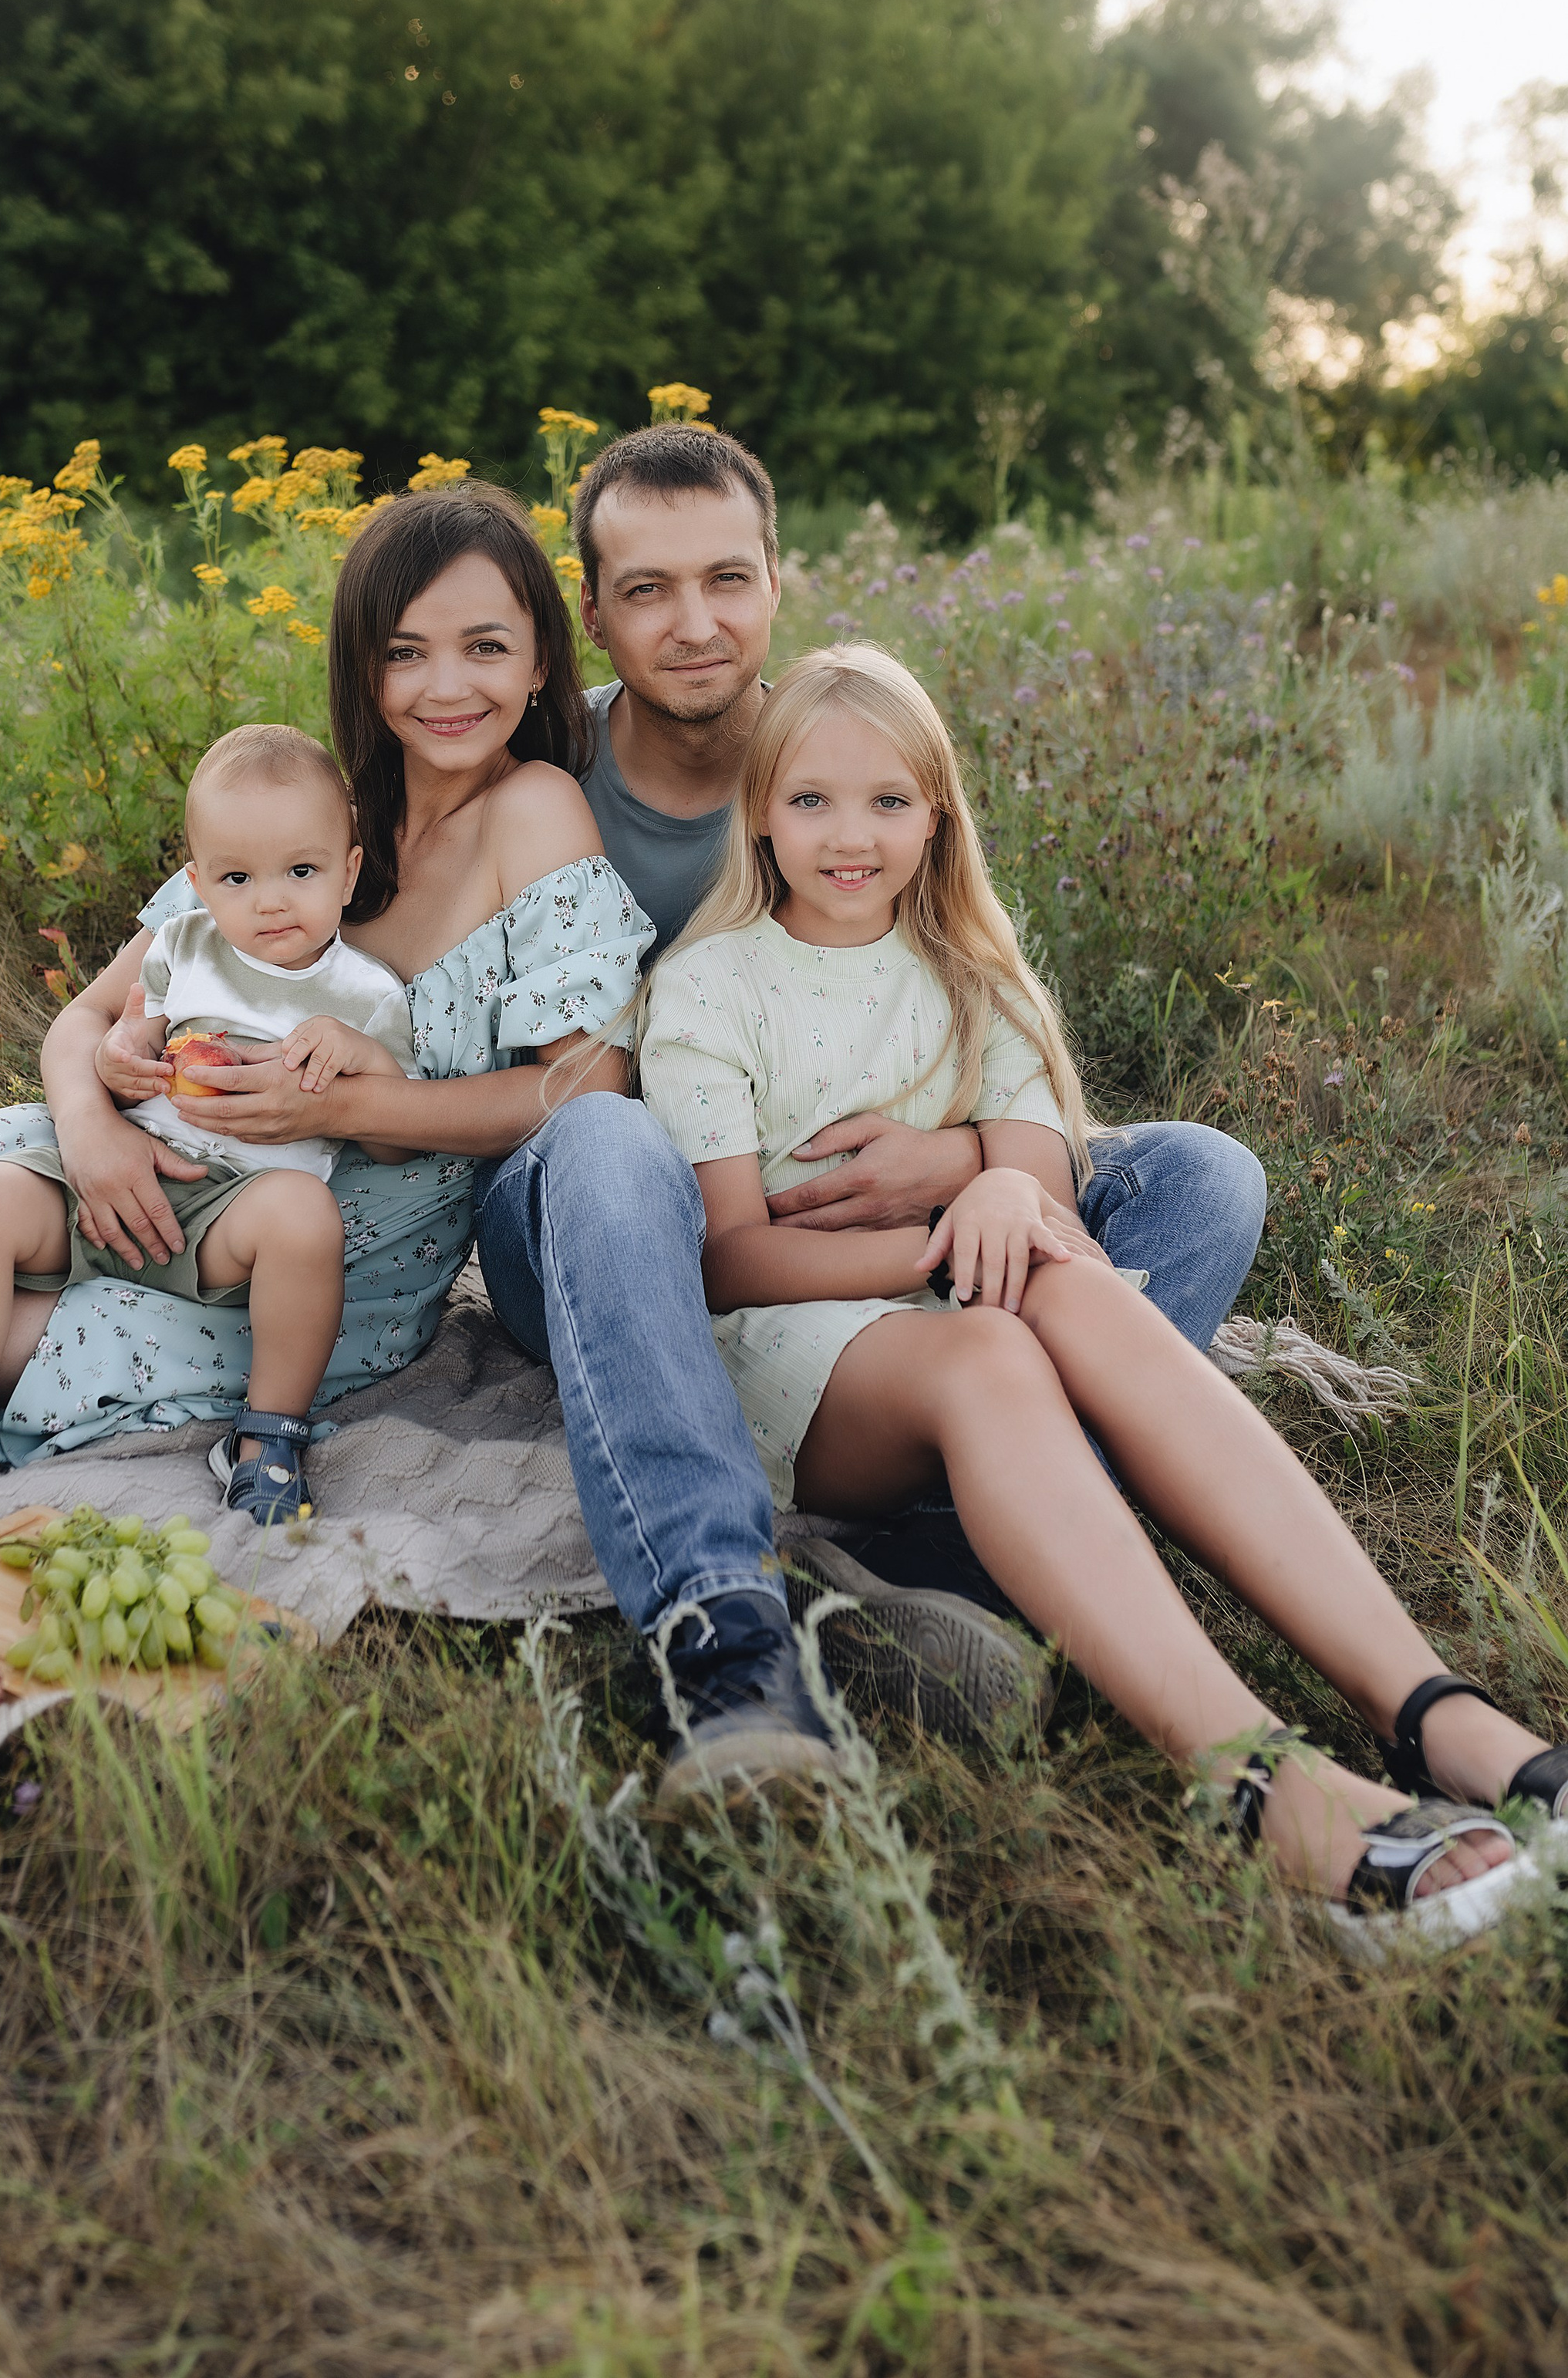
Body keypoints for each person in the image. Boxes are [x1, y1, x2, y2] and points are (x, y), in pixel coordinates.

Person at [0, 483, 838, 1794]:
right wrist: (94, 1114)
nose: (447, 685)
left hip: (313, 1257)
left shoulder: (534, 810)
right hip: (130, 1156)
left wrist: (349, 1106)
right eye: (405, 650)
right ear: (361, 661)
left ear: (544, 656)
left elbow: (585, 1083)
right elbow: (87, 1018)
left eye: (486, 646)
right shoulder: (308, 800)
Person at [639, 641, 1557, 1941]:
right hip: (805, 1357)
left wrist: (1004, 1194)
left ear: (939, 814)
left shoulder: (969, 970)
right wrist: (948, 1245)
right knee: (1001, 1342)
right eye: (813, 801)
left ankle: (1428, 1707)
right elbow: (730, 1253)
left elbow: (1037, 1177)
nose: (852, 835)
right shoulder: (711, 982)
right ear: (760, 813)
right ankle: (1259, 1780)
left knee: (1061, 1283)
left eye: (890, 801)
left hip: (971, 1305)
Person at [568, 418, 1268, 1713]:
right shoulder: (547, 767)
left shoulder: (841, 744)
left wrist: (975, 1172)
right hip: (643, 1206)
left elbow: (956, 996)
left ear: (778, 577)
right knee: (605, 1156)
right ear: (596, 610)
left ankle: (954, 1554)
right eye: (647, 588)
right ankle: (1006, 1517)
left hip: (899, 1173)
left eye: (727, 577)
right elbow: (283, 871)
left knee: (1200, 1174)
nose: (695, 620)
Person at [0, 724, 415, 1516]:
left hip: (230, 1213)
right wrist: (121, 1058)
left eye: (302, 870)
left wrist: (358, 1060)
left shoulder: (365, 993)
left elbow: (391, 1135)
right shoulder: (184, 945)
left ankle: (269, 1434)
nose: (272, 898)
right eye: (238, 876)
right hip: (128, 1163)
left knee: (307, 1219)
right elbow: (133, 1029)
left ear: (348, 872)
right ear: (198, 883)